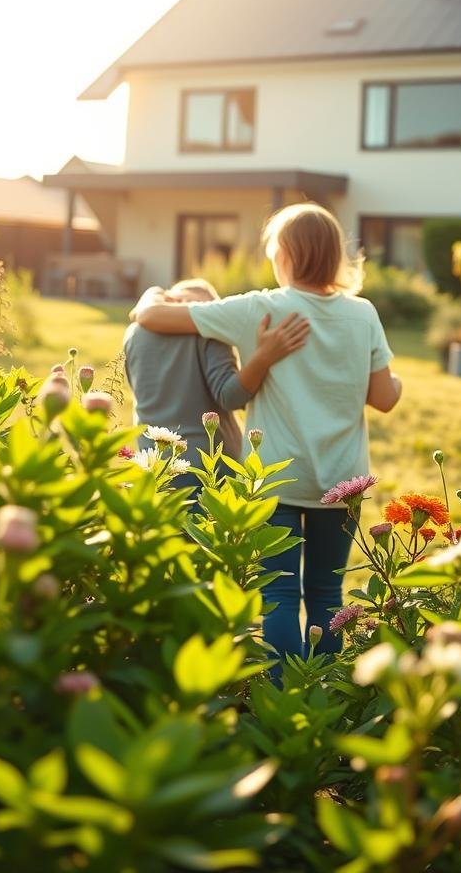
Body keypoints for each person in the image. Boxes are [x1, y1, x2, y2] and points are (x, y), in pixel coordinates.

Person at [134, 204, 402, 672]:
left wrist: (150, 298)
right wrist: (394, 380)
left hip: (276, 480)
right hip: (341, 485)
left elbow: (155, 318)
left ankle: (281, 694)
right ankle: (324, 690)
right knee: (326, 594)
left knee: (277, 593)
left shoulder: (262, 308)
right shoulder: (364, 315)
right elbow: (383, 397)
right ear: (336, 256)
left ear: (283, 255)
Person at [124, 278, 308, 484]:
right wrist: (262, 358)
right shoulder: (206, 331)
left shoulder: (133, 335)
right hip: (208, 467)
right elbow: (230, 397)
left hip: (153, 463)